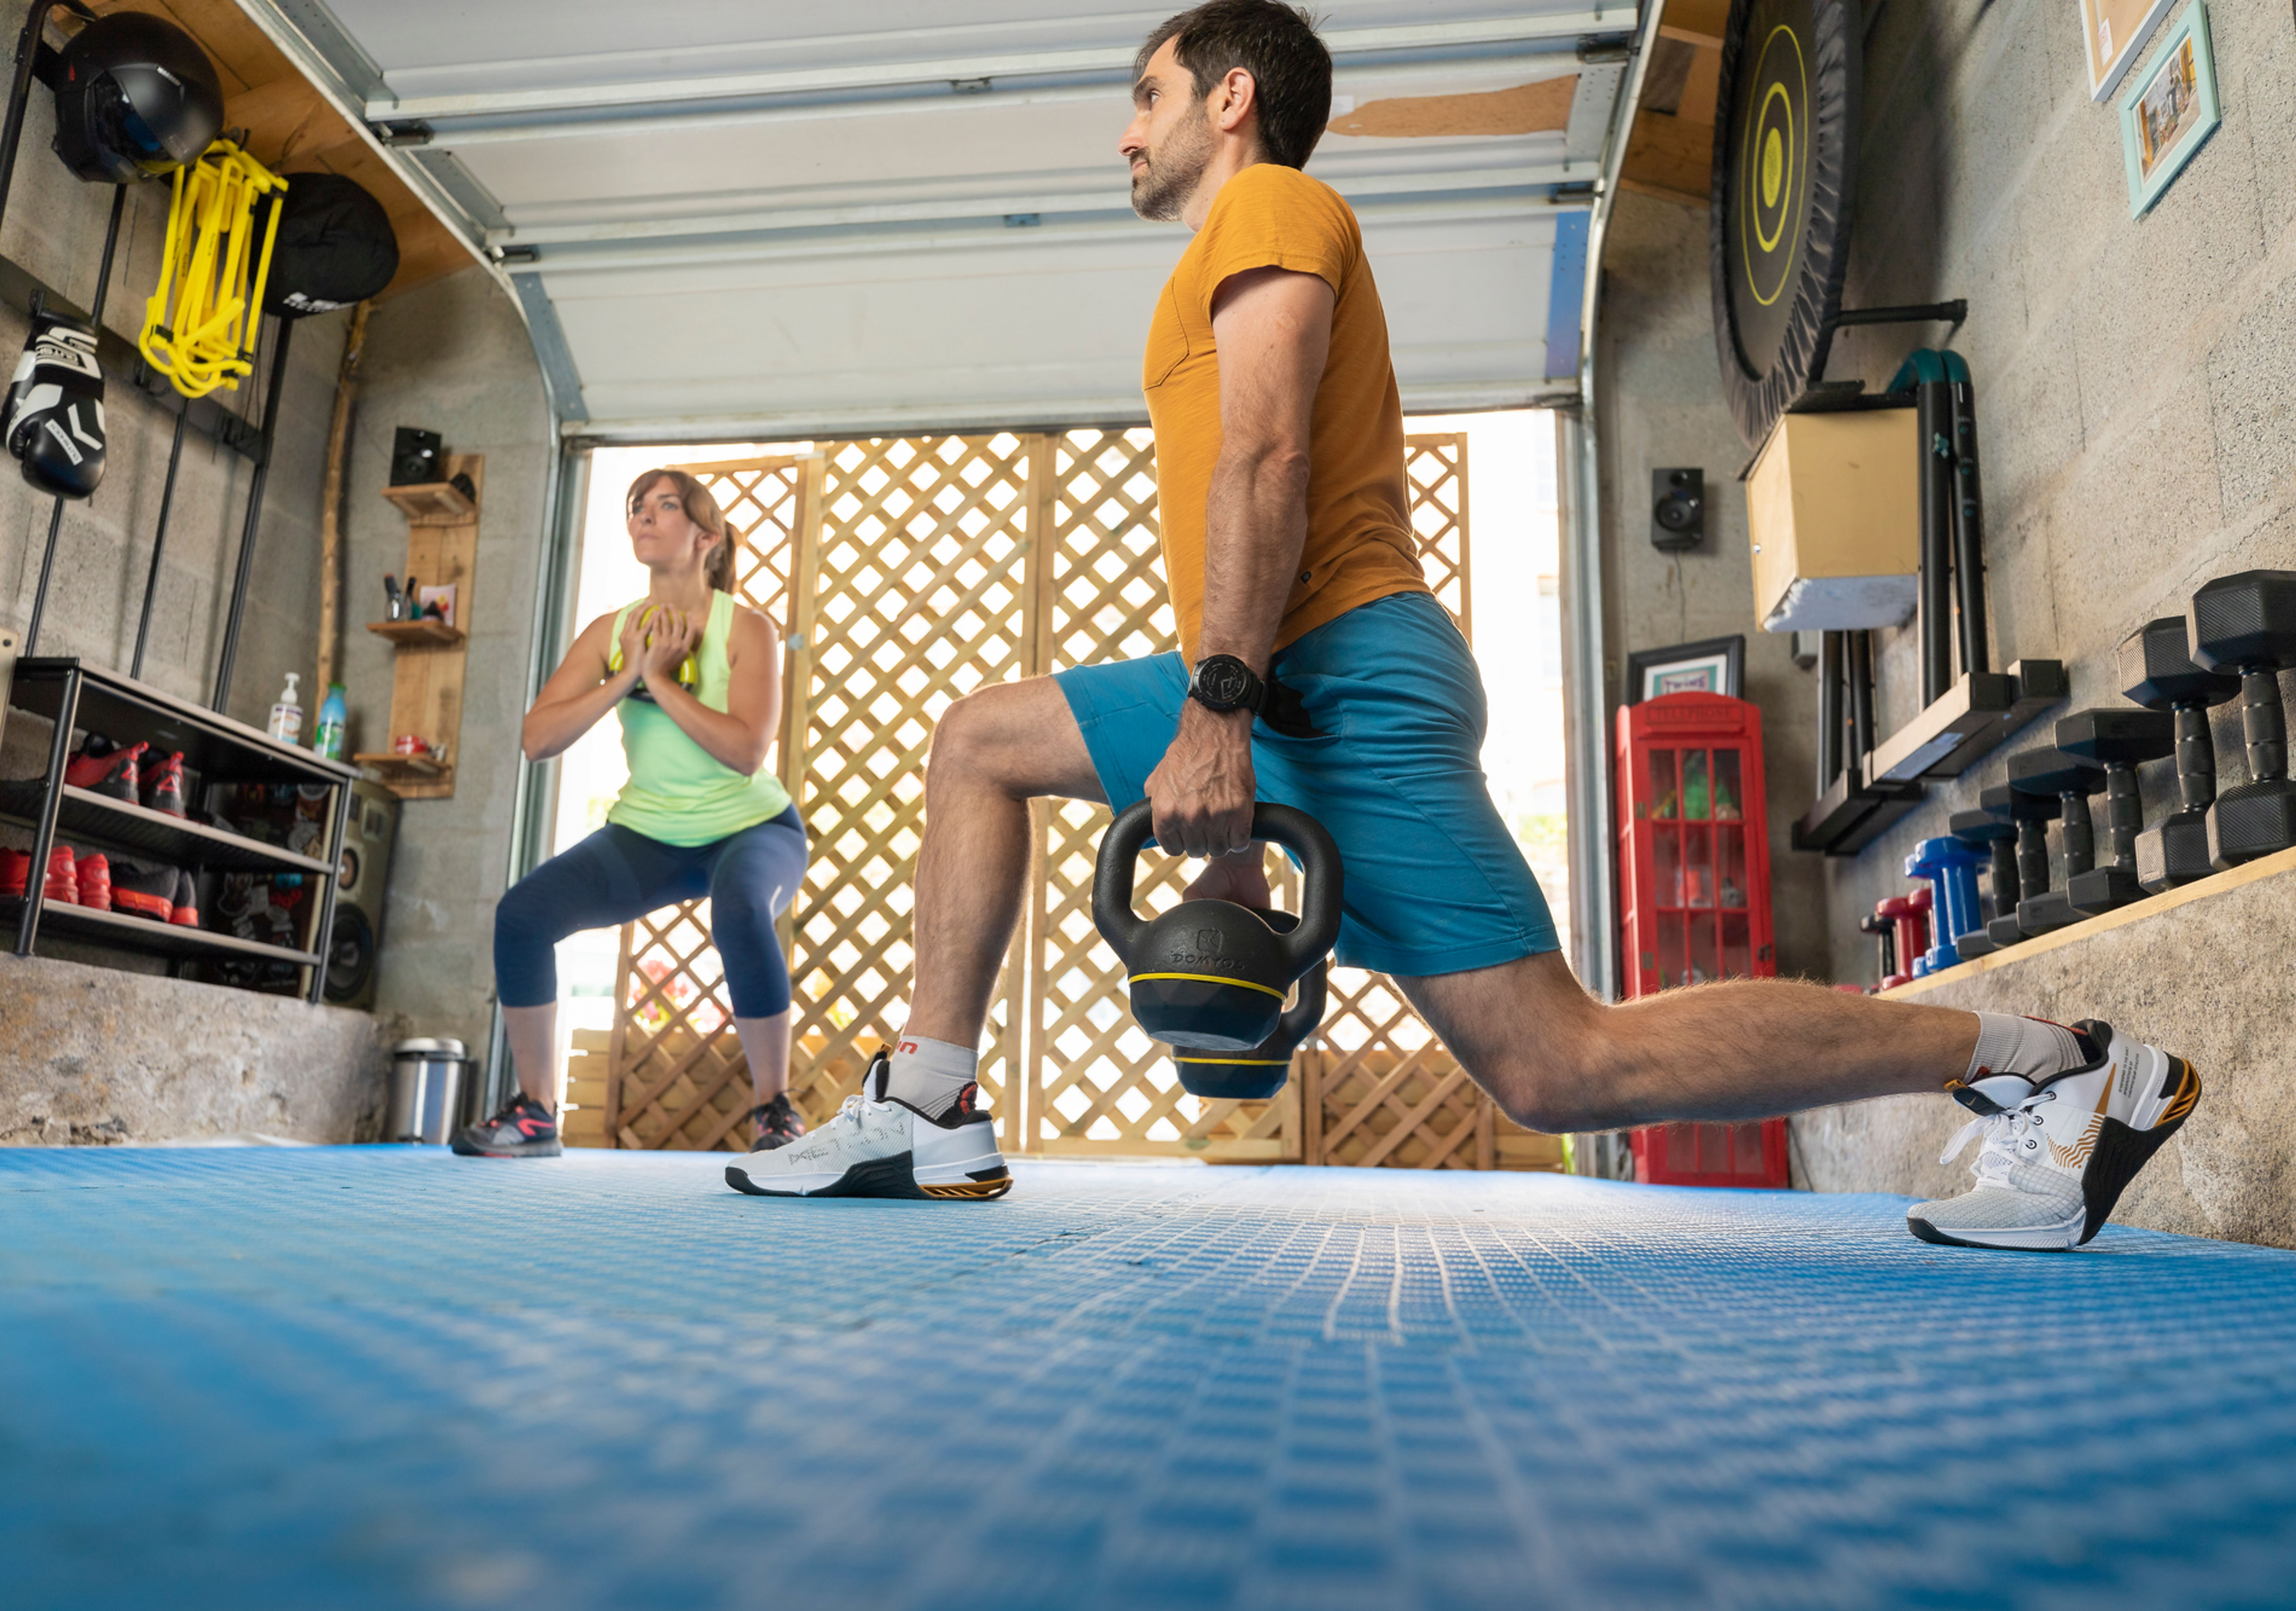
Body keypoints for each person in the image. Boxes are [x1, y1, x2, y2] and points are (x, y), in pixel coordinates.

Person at [732, 0, 2202, 1250]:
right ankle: (926, 1105)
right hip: (1298, 675)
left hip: (1333, 677)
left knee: (1569, 1057)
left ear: (1229, 98)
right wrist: (1230, 762)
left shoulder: (1265, 205)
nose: (1125, 132)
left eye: (1145, 97)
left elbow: (1267, 455)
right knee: (1543, 1068)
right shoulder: (1220, 248)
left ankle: (2055, 1066)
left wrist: (1222, 704)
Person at [457, 468, 810, 1158]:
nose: (644, 516)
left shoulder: (749, 630)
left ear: (707, 537)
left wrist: (657, 683)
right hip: (650, 834)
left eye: (665, 506)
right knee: (522, 917)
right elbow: (538, 738)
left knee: (739, 910)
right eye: (636, 507)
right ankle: (537, 1114)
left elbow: (745, 750)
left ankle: (775, 1110)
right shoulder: (611, 631)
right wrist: (627, 674)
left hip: (753, 829)